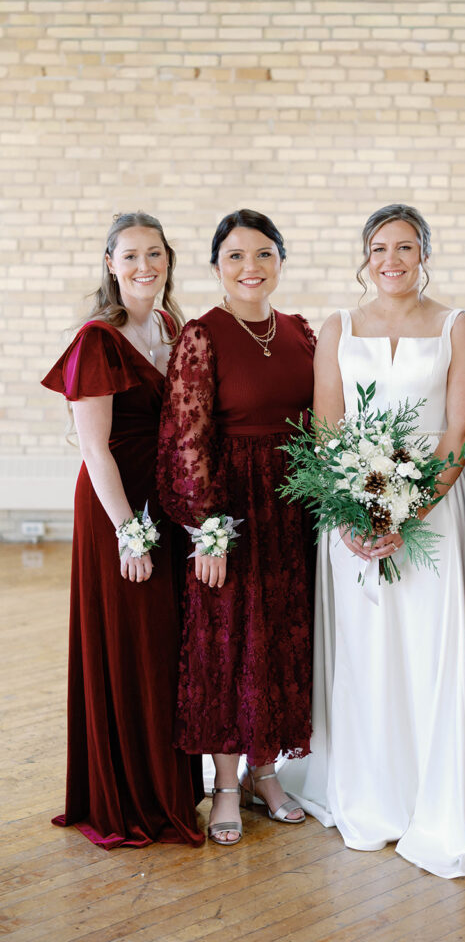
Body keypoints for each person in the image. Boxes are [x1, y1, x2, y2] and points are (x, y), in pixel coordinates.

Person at [282, 203, 465, 878]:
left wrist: (407, 510)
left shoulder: (455, 326)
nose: (392, 259)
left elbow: (459, 430)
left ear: (424, 255)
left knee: (426, 647)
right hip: (348, 516)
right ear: (364, 255)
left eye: (405, 247)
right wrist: (355, 513)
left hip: (432, 511)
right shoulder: (337, 327)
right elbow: (326, 427)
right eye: (380, 247)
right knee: (363, 650)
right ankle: (365, 789)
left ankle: (428, 792)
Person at [42, 211, 204, 849]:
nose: (145, 267)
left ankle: (170, 783)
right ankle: (131, 796)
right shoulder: (97, 340)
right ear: (110, 264)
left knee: (168, 642)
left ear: (169, 259)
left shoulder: (171, 327)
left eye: (155, 255)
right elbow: (95, 449)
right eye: (131, 256)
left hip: (167, 501)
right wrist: (128, 532)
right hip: (120, 506)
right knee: (132, 641)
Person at [156, 209, 315, 846]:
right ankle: (224, 781)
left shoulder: (301, 331)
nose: (251, 268)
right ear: (217, 266)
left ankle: (264, 772)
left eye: (264, 255)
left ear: (280, 260)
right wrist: (208, 529)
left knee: (279, 638)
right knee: (225, 643)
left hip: (290, 505)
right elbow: (185, 436)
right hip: (231, 506)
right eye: (236, 257)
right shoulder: (202, 335)